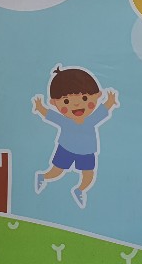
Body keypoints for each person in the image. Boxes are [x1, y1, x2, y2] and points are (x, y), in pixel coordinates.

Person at [32, 66, 118, 209]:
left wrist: (110, 101)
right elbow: (50, 115)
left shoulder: (91, 120)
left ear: (97, 95)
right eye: (66, 101)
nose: (77, 104)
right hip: (65, 149)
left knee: (88, 175)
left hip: (87, 152)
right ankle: (43, 176)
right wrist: (40, 107)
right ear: (54, 103)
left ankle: (80, 190)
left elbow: (103, 110)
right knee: (57, 171)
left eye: (84, 98)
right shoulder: (65, 121)